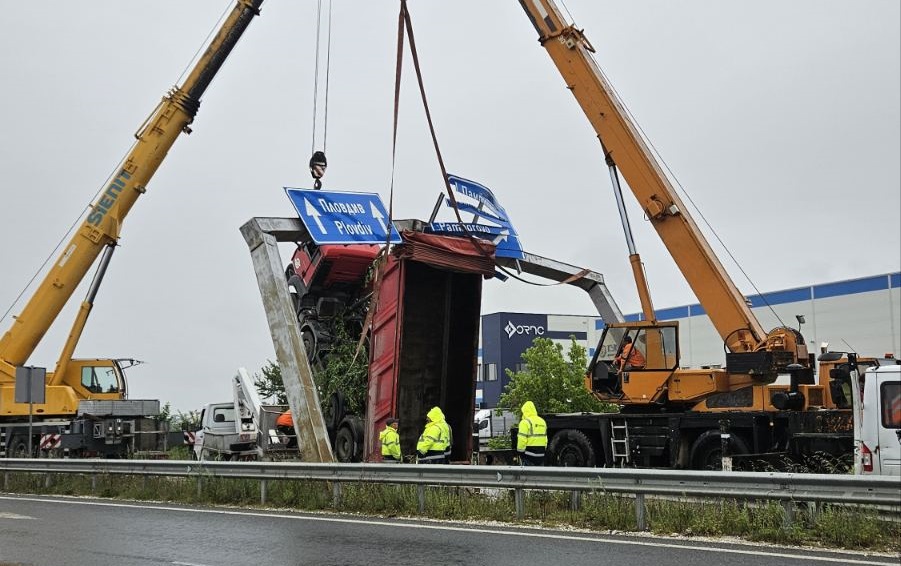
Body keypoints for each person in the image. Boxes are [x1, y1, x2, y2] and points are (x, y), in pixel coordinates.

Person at [516, 401, 547, 466]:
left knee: (527, 475)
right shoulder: (542, 421)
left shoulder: (524, 422)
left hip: (529, 454)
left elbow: (522, 439)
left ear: (525, 411)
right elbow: (545, 439)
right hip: (541, 454)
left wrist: (520, 453)